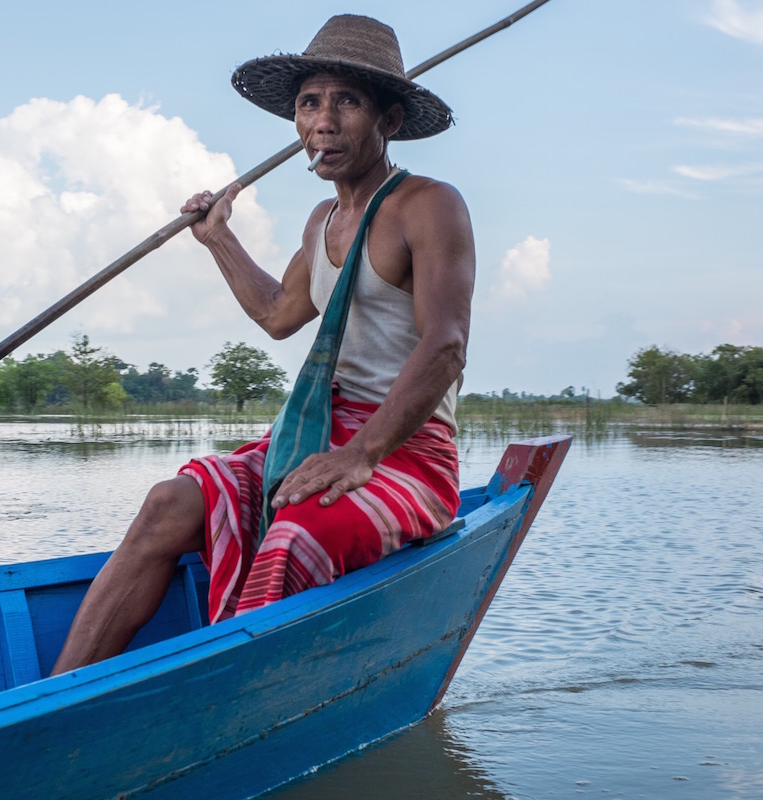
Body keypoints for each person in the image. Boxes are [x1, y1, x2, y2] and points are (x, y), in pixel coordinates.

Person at [52, 14, 475, 673]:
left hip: (406, 454)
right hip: (319, 439)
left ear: (389, 120)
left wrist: (362, 454)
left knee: (297, 533)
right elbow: (281, 313)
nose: (323, 122)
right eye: (310, 104)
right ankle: (57, 697)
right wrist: (218, 237)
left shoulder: (428, 205)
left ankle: (236, 702)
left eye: (347, 102)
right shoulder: (323, 219)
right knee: (169, 504)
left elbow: (446, 346)